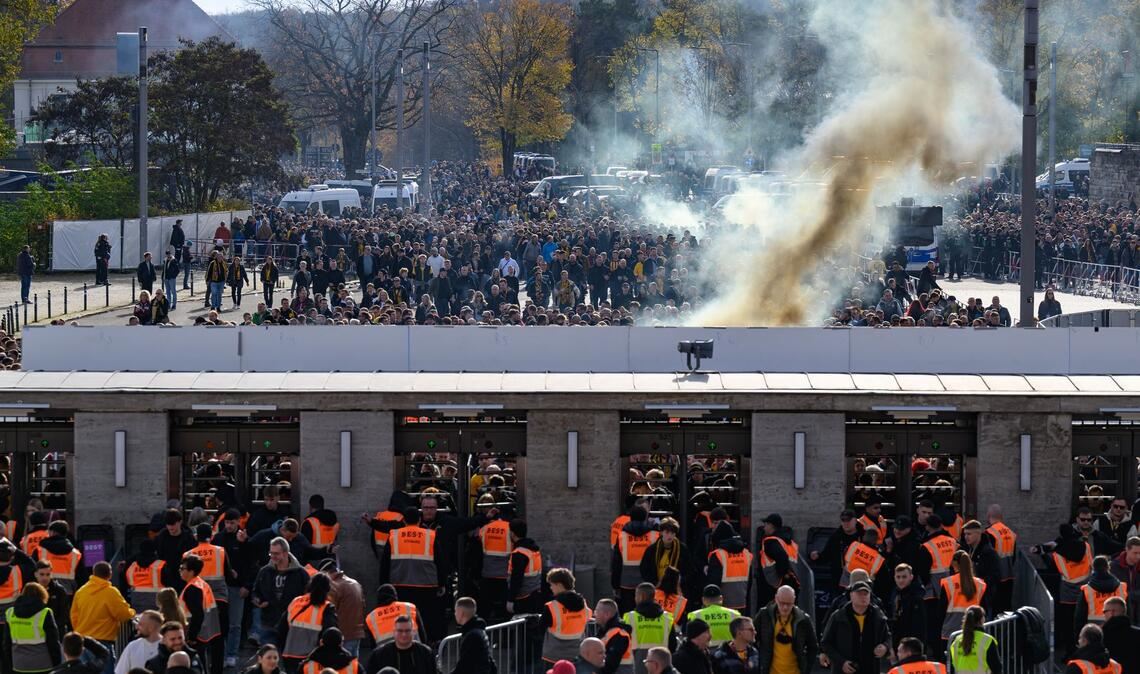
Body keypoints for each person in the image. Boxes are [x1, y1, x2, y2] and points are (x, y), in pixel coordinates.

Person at [70, 561, 133, 674]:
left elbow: (74, 616)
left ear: (93, 573)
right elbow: (123, 615)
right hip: (103, 643)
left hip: (83, 641)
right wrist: (132, 612)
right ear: (110, 574)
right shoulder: (111, 592)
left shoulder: (81, 591)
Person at [820, 582, 891, 674]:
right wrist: (841, 662)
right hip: (844, 670)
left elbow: (888, 637)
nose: (863, 597)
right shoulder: (838, 616)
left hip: (870, 668)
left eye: (866, 594)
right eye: (859, 594)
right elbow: (826, 643)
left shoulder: (878, 616)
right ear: (851, 596)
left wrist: (885, 647)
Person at [251, 537, 309, 648]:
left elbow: (307, 597)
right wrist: (258, 600)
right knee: (268, 659)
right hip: (268, 622)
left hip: (292, 624)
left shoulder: (300, 574)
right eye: (271, 553)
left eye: (276, 553)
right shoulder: (265, 571)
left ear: (286, 553)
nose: (273, 556)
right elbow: (255, 591)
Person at [280, 572, 338, 668]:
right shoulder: (326, 607)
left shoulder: (296, 602)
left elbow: (282, 629)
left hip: (289, 655)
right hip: (312, 657)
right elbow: (330, 634)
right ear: (328, 589)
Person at [754, 585, 815, 674]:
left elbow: (813, 647)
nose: (785, 607)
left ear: (794, 600)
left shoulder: (803, 620)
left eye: (789, 604)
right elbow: (752, 639)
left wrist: (806, 669)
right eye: (782, 603)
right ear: (776, 599)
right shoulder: (764, 615)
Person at [177, 555, 221, 674]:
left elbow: (197, 614)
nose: (180, 570)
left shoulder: (192, 588)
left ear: (191, 571)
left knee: (197, 666)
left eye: (182, 568)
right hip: (204, 632)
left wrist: (191, 637)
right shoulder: (200, 583)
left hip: (196, 635)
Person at [7, 582, 61, 674]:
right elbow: (53, 642)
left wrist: (10, 663)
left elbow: (6, 643)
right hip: (43, 665)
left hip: (19, 665)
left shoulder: (10, 613)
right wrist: (57, 662)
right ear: (42, 595)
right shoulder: (45, 613)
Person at [613, 508, 660, 613]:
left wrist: (615, 585)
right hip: (648, 583)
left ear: (630, 518)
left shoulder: (622, 536)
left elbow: (616, 563)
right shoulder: (655, 535)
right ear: (645, 517)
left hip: (626, 583)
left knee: (628, 615)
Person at [541, 568, 591, 666]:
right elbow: (587, 617)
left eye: (552, 585)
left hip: (554, 657)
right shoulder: (583, 604)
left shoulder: (551, 606)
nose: (550, 588)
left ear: (559, 585)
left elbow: (540, 628)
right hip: (577, 655)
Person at [938, 551, 986, 645]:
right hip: (974, 628)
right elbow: (984, 607)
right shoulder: (980, 584)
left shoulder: (948, 583)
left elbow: (941, 610)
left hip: (951, 629)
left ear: (955, 563)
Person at [625, 584, 675, 674]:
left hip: (637, 665)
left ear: (641, 596)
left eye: (636, 595)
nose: (635, 598)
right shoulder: (667, 618)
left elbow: (624, 645)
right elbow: (673, 644)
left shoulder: (630, 617)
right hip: (662, 665)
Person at [705, 523, 752, 614]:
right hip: (742, 604)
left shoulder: (718, 555)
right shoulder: (746, 554)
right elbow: (750, 583)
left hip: (722, 606)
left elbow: (713, 583)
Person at [363, 615, 434, 674]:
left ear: (413, 631)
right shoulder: (379, 655)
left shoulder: (425, 653)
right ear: (394, 632)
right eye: (400, 631)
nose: (404, 634)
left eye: (407, 631)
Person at [757, 514, 800, 610]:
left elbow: (781, 557)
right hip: (792, 582)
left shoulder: (771, 541)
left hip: (774, 584)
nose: (764, 528)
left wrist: (783, 574)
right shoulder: (789, 542)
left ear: (771, 525)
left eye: (766, 525)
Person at [1074, 556, 1126, 630]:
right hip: (1118, 629)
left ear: (1093, 568)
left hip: (1094, 631)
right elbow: (1128, 612)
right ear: (1108, 567)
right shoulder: (1121, 587)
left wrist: (1079, 637)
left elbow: (1079, 617)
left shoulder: (1087, 590)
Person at [639, 519, 693, 591]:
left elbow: (689, 570)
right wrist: (654, 583)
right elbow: (644, 569)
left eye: (672, 533)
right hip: (657, 588)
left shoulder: (682, 549)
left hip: (676, 588)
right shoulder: (652, 549)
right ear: (661, 532)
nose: (670, 535)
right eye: (667, 532)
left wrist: (680, 581)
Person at [324, 562, 364, 658]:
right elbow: (363, 605)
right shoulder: (355, 583)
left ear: (327, 573)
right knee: (353, 667)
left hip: (343, 634)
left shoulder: (334, 586)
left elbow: (329, 611)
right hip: (357, 633)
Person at [982, 506, 1016, 614]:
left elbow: (987, 558)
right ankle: (1007, 630)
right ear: (1001, 517)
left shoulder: (989, 533)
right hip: (1009, 575)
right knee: (1006, 608)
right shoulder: (1011, 533)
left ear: (988, 516)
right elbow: (1014, 556)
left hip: (995, 578)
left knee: (995, 609)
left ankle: (994, 631)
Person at [947, 606, 1000, 674]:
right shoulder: (988, 640)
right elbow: (996, 668)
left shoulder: (957, 640)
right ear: (982, 619)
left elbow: (952, 666)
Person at [506, 520, 542, 617]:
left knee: (521, 628)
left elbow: (516, 578)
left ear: (512, 533)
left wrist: (510, 599)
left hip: (523, 599)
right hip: (534, 594)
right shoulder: (533, 549)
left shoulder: (519, 553)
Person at [450, 597, 494, 674]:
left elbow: (464, 665)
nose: (455, 614)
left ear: (461, 613)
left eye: (456, 611)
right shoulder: (479, 630)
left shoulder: (472, 636)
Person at [886, 564, 926, 648]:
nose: (901, 580)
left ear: (911, 577)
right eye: (898, 577)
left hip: (911, 643)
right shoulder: (895, 593)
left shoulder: (916, 596)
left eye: (904, 577)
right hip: (897, 639)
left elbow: (919, 625)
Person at [593, 598, 632, 674]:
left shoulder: (620, 635)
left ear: (607, 614)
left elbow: (610, 665)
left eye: (597, 611)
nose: (594, 614)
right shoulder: (604, 631)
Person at [1100, 598, 1139, 674]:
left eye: (1104, 611)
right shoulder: (1137, 633)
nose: (1103, 614)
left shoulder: (1102, 635)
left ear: (1112, 612)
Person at [1107, 536, 1139, 625]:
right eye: (1135, 553)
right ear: (1127, 550)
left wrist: (1128, 594)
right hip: (1120, 613)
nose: (1138, 556)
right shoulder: (1113, 567)